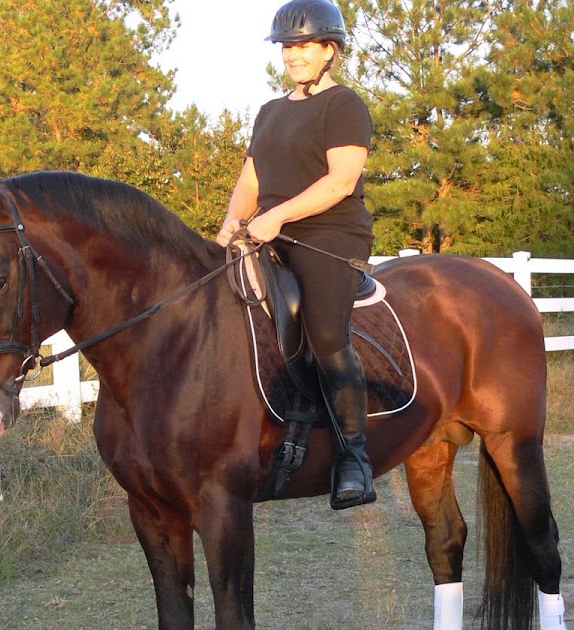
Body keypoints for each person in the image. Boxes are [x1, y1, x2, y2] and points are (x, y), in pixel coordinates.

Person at [215, 0, 376, 510]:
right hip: (266, 233)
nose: (293, 55)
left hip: (328, 233)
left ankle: (354, 456)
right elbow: (251, 182)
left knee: (325, 330)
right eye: (287, 46)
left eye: (304, 45)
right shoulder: (268, 112)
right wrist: (223, 237)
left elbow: (341, 181)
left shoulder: (344, 106)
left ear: (330, 51)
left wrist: (279, 216)